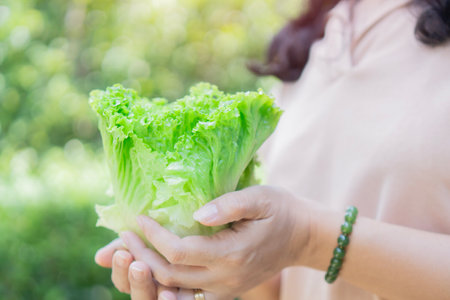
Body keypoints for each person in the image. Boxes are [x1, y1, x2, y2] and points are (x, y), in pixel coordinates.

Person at [95, 0, 450, 299]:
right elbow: (277, 283)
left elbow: (300, 236)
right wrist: (211, 271)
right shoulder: (318, 35)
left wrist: (309, 238)